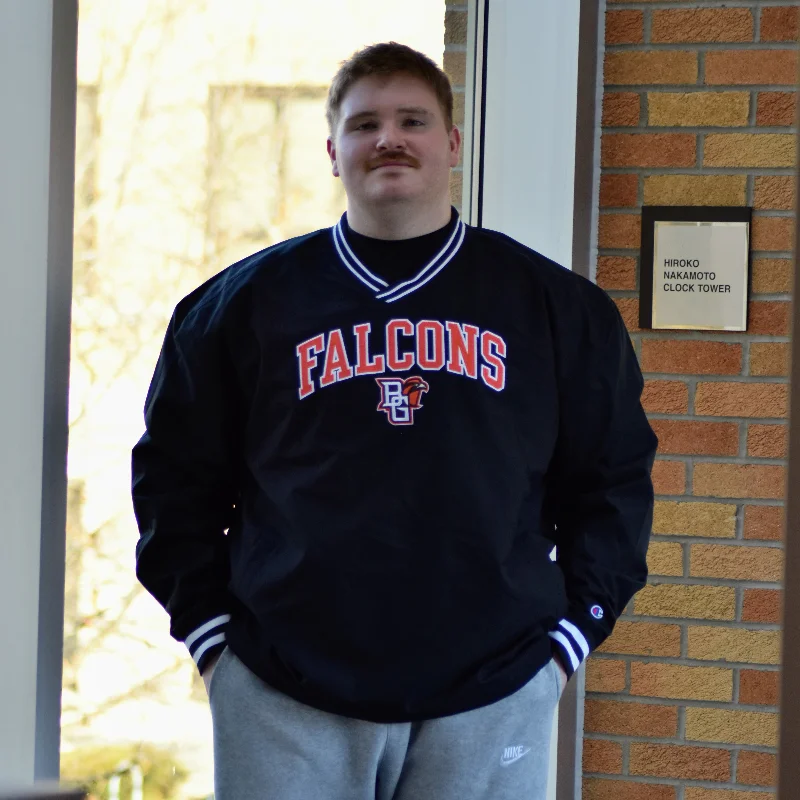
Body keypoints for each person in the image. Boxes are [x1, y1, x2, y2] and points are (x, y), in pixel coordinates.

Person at [132, 42, 657, 800]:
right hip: (283, 688)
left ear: (451, 144)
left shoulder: (556, 308)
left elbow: (612, 481)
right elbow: (172, 482)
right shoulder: (238, 306)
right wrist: (213, 639)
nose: (389, 139)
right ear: (332, 151)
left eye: (413, 119)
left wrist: (566, 645)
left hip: (494, 686)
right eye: (364, 123)